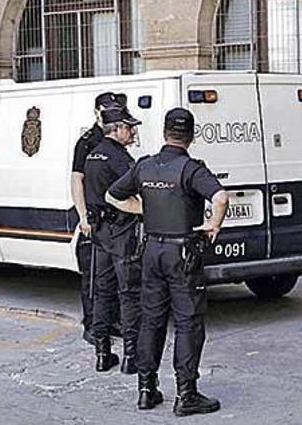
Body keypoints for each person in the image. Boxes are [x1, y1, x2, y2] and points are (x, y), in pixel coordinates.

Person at [107, 108, 230, 416]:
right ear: (191, 135)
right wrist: (213, 225)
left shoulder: (145, 166)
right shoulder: (191, 169)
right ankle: (186, 394)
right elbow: (221, 198)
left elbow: (112, 196)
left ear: (164, 132)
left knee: (152, 320)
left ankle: (146, 389)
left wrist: (145, 210)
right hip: (182, 253)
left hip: (151, 252)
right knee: (188, 323)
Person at [83, 106, 143, 374]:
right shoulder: (119, 158)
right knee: (129, 292)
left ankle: (102, 353)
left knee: (102, 292)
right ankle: (131, 356)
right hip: (120, 231)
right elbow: (131, 191)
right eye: (129, 127)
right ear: (116, 129)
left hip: (99, 231)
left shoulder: (92, 154)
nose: (133, 132)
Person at [71, 92, 127, 344]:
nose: (111, 111)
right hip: (95, 217)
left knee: (111, 276)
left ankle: (111, 322)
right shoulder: (87, 141)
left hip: (116, 219)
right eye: (107, 108)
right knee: (93, 275)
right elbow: (76, 180)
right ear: (96, 112)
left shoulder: (116, 135)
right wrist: (83, 216)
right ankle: (92, 325)